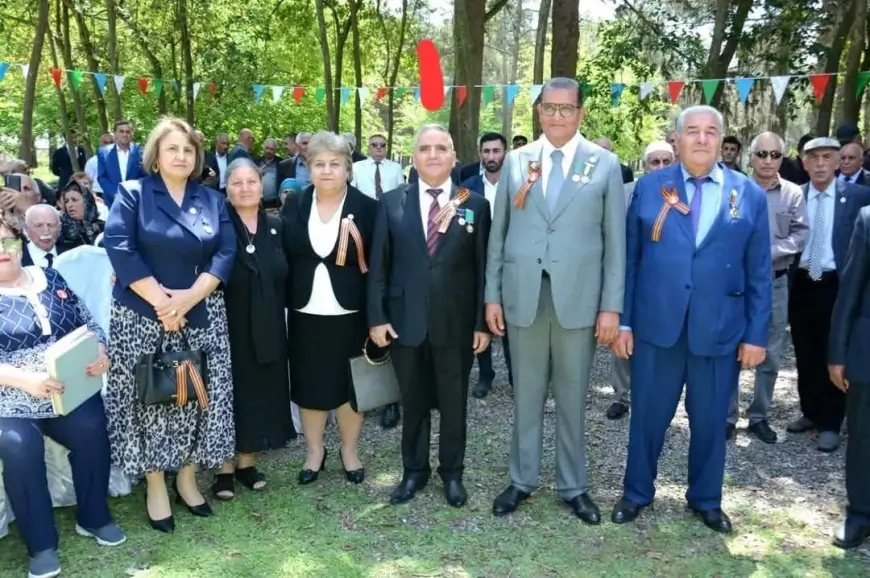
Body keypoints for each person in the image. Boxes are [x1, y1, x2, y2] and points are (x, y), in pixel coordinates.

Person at [611, 105, 771, 533]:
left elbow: (759, 272)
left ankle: (705, 499)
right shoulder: (649, 188)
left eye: (710, 132)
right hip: (657, 328)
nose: (701, 139)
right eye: (693, 132)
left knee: (710, 421)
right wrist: (624, 322)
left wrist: (756, 335)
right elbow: (630, 261)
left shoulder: (748, 194)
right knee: (647, 416)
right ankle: (636, 493)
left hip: (719, 330)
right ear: (677, 139)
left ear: (722, 140)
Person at [484, 77, 625, 523]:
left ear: (581, 113)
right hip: (523, 296)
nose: (558, 116)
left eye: (566, 108)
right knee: (525, 394)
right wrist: (492, 295)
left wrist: (611, 306)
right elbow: (499, 234)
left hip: (578, 300)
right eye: (549, 108)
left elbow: (615, 243)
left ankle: (574, 485)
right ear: (539, 112)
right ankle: (522, 479)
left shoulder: (604, 163)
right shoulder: (515, 162)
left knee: (571, 395)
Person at [102, 116, 237, 534]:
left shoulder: (212, 200)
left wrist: (188, 299)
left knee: (193, 397)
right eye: (172, 148)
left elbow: (225, 252)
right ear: (155, 157)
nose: (181, 155)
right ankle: (156, 482)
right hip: (143, 315)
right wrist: (164, 303)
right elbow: (120, 247)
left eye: (188, 149)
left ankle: (187, 476)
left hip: (199, 314)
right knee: (152, 401)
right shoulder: (132, 194)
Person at [368, 124, 491, 508]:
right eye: (425, 148)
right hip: (405, 324)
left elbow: (483, 268)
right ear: (414, 157)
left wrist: (481, 323)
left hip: (455, 326)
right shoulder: (391, 203)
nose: (433, 155)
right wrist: (377, 317)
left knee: (454, 405)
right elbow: (378, 266)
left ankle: (452, 474)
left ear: (455, 157)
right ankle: (413, 472)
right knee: (414, 401)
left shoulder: (475, 204)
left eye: (442, 148)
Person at [0, 212, 123, 578]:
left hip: (66, 392)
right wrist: (25, 380)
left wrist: (101, 351)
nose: (2, 250)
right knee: (18, 445)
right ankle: (41, 544)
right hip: (12, 399)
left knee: (92, 425)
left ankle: (93, 516)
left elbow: (88, 322)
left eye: (6, 241)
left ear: (18, 242)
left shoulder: (49, 277)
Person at [282, 131, 376, 485]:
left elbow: (377, 265)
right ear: (308, 168)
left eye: (334, 164)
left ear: (347, 169)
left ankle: (349, 451)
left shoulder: (367, 207)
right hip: (306, 311)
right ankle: (314, 450)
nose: (326, 171)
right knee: (310, 384)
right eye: (319, 164)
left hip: (351, 312)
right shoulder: (295, 204)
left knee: (350, 386)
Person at [213, 158, 295, 499]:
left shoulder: (276, 226)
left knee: (260, 392)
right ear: (227, 189)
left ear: (262, 188)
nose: (245, 188)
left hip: (269, 324)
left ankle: (247, 462)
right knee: (229, 394)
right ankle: (222, 469)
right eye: (237, 183)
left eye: (251, 182)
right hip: (227, 325)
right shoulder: (216, 227)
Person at [786, 138, 870, 452]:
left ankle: (832, 422)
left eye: (827, 157)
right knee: (805, 351)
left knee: (833, 352)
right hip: (803, 282)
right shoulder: (796, 195)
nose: (820, 163)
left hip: (839, 284)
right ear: (804, 163)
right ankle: (810, 411)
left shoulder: (860, 197)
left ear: (839, 162)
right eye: (813, 158)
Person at [607, 140, 675, 421]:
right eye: (654, 162)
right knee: (623, 335)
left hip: (666, 282)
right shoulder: (625, 193)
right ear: (644, 165)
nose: (659, 167)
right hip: (628, 275)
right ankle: (621, 396)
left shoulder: (681, 194)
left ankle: (655, 396)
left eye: (665, 161)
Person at [828, 204, 870, 549]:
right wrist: (838, 354)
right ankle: (860, 513)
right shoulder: (868, 219)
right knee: (863, 437)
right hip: (867, 352)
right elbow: (850, 290)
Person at [57, 180, 105, 251]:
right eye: (66, 201)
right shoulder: (61, 231)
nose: (69, 205)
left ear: (87, 202)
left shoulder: (102, 227)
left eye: (74, 200)